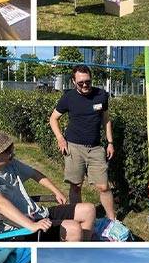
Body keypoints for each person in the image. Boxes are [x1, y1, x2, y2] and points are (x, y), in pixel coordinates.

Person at [0, 131, 95, 241]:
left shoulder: (11, 163)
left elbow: (35, 174)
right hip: (20, 227)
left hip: (37, 213)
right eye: (9, 152)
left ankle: (83, 248)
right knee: (74, 229)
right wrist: (31, 225)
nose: (12, 154)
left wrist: (56, 191)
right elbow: (0, 204)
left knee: (89, 210)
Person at [49, 65, 116, 220]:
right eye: (81, 83)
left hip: (96, 148)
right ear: (73, 81)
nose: (85, 85)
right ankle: (78, 218)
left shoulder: (101, 95)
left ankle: (113, 221)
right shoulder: (68, 97)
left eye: (88, 81)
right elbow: (53, 119)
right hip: (74, 147)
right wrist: (60, 138)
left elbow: (106, 119)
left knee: (104, 186)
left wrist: (110, 142)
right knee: (75, 186)